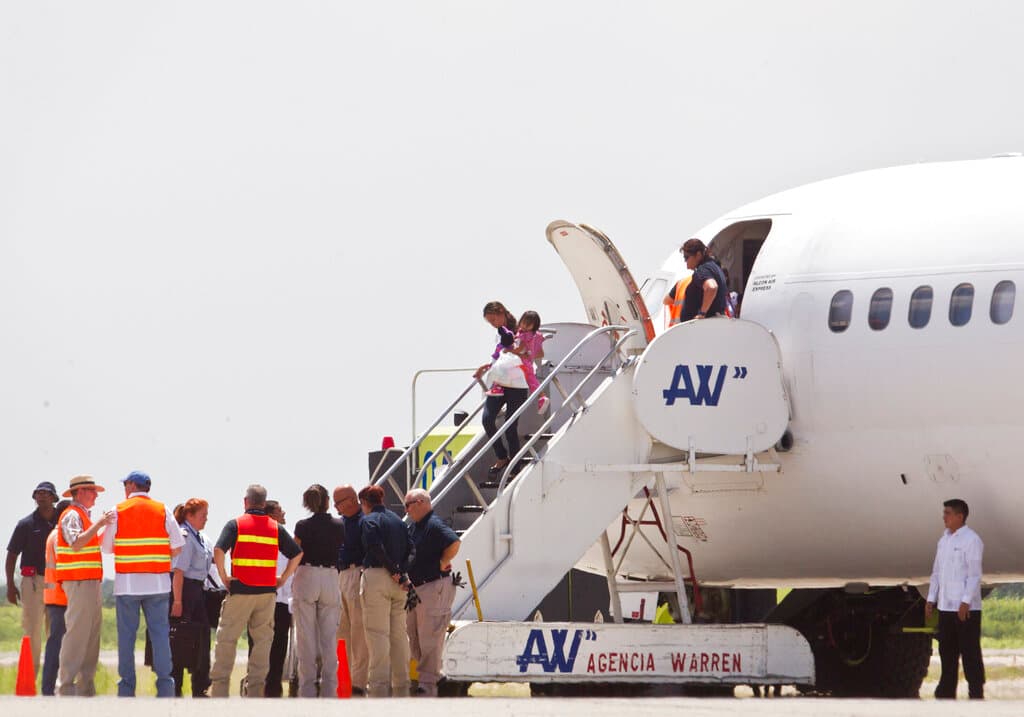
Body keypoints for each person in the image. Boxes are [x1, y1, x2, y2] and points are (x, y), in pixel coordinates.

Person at [209, 484, 302, 698]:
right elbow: (296, 554)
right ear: (263, 503)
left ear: (246, 501)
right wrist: (283, 578)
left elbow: (218, 550)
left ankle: (220, 690)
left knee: (227, 640)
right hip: (267, 594)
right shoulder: (275, 527)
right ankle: (256, 691)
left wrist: (224, 577)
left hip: (240, 590)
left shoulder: (236, 524)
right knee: (263, 642)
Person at [101, 471, 183, 697]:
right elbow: (177, 545)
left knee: (126, 638)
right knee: (160, 636)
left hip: (127, 585)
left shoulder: (118, 510)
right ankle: (166, 687)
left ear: (130, 485)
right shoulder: (162, 510)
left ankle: (127, 688)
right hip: (158, 584)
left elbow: (106, 548)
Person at [56, 475, 113, 696]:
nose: (96, 495)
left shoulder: (82, 516)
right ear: (79, 492)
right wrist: (100, 523)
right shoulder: (72, 515)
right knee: (78, 633)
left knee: (90, 635)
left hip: (88, 582)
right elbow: (77, 543)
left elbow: (86, 542)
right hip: (79, 582)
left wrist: (101, 530)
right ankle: (67, 685)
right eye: (92, 491)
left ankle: (85, 686)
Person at [403, 489, 461, 697]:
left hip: (433, 586)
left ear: (420, 503)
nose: (406, 510)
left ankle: (427, 685)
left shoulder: (434, 524)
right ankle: (436, 677)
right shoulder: (415, 527)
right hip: (417, 588)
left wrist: (443, 562)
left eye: (408, 505)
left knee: (430, 637)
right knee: (414, 636)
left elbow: (454, 542)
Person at [926, 498, 985, 700]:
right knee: (947, 651)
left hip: (966, 608)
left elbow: (974, 574)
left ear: (960, 516)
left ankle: (976, 691)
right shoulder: (943, 541)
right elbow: (936, 573)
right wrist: (930, 599)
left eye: (948, 513)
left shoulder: (971, 540)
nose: (944, 517)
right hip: (945, 606)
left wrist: (966, 601)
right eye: (944, 513)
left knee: (970, 652)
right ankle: (946, 691)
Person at [359, 484, 414, 698]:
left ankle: (379, 688)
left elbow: (374, 547)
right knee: (399, 635)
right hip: (400, 582)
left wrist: (393, 570)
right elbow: (412, 549)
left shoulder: (369, 520)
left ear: (365, 502)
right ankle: (402, 687)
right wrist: (402, 573)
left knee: (377, 634)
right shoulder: (399, 522)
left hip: (377, 577)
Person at [292, 484, 345, 697]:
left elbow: (296, 553)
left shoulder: (302, 525)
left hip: (307, 575)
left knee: (306, 636)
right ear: (326, 501)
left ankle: (307, 688)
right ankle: (330, 688)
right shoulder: (339, 525)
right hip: (331, 577)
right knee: (329, 636)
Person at [5, 480, 60, 676]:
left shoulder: (62, 521)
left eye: (46, 492)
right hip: (32, 583)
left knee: (57, 631)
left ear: (54, 498)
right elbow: (11, 556)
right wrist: (11, 586)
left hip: (57, 583)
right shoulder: (25, 524)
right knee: (32, 632)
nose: (41, 495)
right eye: (38, 493)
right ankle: (29, 678)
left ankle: (54, 680)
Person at [473, 301, 530, 478]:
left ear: (503, 313)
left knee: (510, 426)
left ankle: (515, 465)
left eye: (494, 319)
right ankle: (501, 456)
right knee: (487, 419)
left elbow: (523, 352)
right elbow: (499, 355)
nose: (494, 324)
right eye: (490, 322)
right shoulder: (499, 334)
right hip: (499, 383)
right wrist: (487, 366)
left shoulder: (519, 330)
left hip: (517, 383)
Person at [169, 498, 215, 697]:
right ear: (190, 515)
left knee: (202, 637)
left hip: (197, 591)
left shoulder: (199, 537)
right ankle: (175, 685)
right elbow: (178, 571)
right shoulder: (185, 536)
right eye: (202, 515)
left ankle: (200, 685)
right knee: (180, 638)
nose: (206, 519)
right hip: (184, 590)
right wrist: (178, 601)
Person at [255, 499, 294, 697]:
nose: (284, 514)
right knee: (262, 646)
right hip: (264, 601)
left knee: (279, 648)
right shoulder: (261, 540)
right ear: (270, 516)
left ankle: (273, 688)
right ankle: (259, 687)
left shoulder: (287, 541)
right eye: (280, 511)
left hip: (281, 604)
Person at [334, 484, 368, 696]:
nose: (336, 507)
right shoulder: (341, 523)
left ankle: (358, 683)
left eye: (338, 502)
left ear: (350, 499)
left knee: (359, 632)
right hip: (341, 577)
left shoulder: (364, 521)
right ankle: (345, 682)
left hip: (357, 575)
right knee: (342, 633)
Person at [41, 498, 71, 696]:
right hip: (62, 598)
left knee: (57, 644)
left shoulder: (53, 534)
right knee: (57, 645)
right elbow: (65, 566)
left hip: (56, 598)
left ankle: (49, 687)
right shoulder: (60, 536)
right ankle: (49, 688)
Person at [677, 238, 728, 322]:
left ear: (698, 255)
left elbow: (712, 287)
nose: (686, 262)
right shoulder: (715, 267)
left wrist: (702, 314)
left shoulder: (702, 270)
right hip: (713, 322)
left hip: (701, 327)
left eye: (686, 257)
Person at [510, 310, 548, 414]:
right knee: (531, 381)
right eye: (524, 322)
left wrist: (508, 349)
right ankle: (541, 398)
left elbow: (519, 348)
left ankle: (542, 397)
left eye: (529, 324)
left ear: (534, 326)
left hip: (522, 363)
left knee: (531, 382)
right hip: (526, 362)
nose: (525, 325)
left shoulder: (524, 335)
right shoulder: (530, 334)